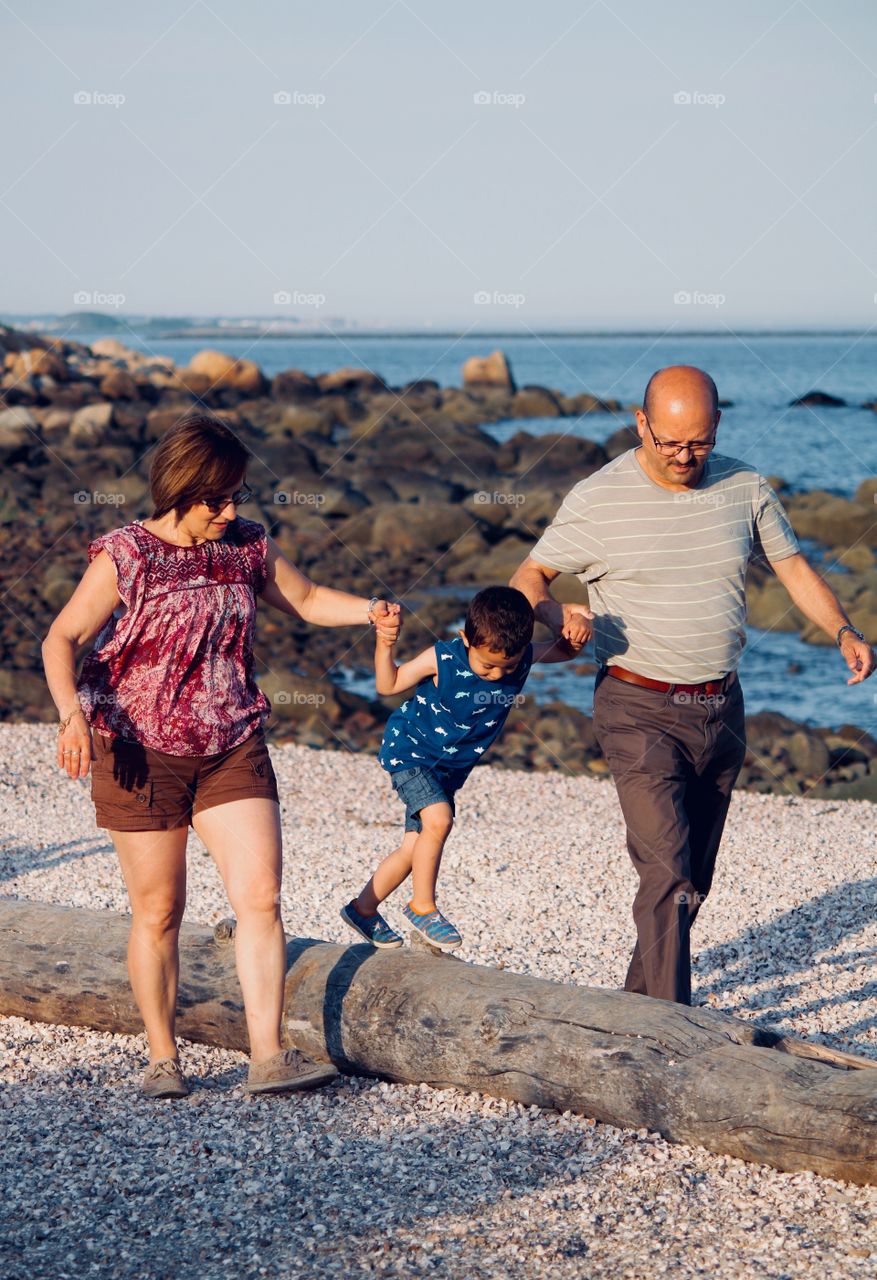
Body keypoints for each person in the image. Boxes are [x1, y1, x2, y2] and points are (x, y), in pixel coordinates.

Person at [42, 412, 400, 1098]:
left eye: (237, 495)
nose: (231, 509)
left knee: (260, 895)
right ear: (180, 489)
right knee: (159, 912)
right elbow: (62, 640)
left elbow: (305, 597)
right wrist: (71, 717)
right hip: (137, 752)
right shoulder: (126, 554)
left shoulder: (246, 547)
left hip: (232, 741)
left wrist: (370, 609)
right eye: (218, 498)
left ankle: (268, 1055)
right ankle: (162, 1057)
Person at [511, 365, 876, 1006]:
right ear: (641, 423)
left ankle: (634, 1008)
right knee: (667, 873)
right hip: (636, 706)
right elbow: (529, 578)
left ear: (717, 428)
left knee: (690, 881)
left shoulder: (745, 486)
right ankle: (677, 1030)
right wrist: (556, 616)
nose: (684, 456)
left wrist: (844, 631)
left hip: (721, 709)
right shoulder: (599, 498)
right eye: (671, 442)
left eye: (699, 443)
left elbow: (794, 571)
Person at [340, 586, 579, 952]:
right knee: (439, 821)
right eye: (487, 664)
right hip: (412, 752)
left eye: (508, 666)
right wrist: (385, 644)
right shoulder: (443, 657)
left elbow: (565, 649)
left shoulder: (523, 656)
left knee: (414, 848)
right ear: (466, 639)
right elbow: (388, 685)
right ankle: (423, 908)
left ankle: (363, 908)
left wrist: (577, 627)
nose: (498, 674)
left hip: (449, 771)